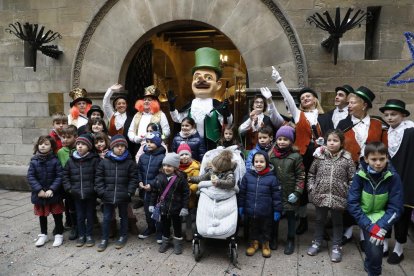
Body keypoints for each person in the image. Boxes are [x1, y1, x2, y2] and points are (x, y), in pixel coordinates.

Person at [268, 66, 325, 235]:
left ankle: (321, 224)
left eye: (308, 96)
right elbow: (288, 99)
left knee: (319, 189)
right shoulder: (299, 115)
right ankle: (302, 220)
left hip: (320, 158)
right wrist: (279, 81)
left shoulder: (325, 117)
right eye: (302, 97)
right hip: (302, 156)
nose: (305, 98)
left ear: (315, 100)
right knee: (300, 188)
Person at [337, 87, 388, 248]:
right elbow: (338, 146)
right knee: (349, 201)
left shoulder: (378, 124)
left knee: (368, 202)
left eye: (352, 102)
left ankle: (365, 235)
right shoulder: (343, 123)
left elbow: (385, 147)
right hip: (349, 170)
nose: (348, 105)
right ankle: (348, 231)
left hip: (373, 172)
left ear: (364, 105)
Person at [347, 142, 403, 276]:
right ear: (366, 159)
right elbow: (352, 203)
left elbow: (396, 207)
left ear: (387, 157)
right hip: (365, 217)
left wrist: (381, 226)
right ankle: (370, 265)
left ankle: (373, 271)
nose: (378, 163)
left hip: (381, 218)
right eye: (373, 159)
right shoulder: (360, 175)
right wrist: (369, 225)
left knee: (376, 253)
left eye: (382, 159)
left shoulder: (393, 177)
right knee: (372, 249)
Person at [168, 47, 232, 150]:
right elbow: (178, 119)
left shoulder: (217, 105)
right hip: (192, 145)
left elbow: (227, 123)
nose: (201, 80)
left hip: (212, 145)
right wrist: (171, 106)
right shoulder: (190, 105)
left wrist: (226, 111)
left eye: (208, 77)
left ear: (218, 85)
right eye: (197, 77)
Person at [307, 129, 356, 262]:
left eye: (335, 140)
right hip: (320, 194)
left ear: (341, 143)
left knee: (337, 222)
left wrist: (348, 192)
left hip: (339, 196)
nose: (332, 143)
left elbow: (353, 179)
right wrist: (311, 188)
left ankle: (336, 246)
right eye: (329, 140)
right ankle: (317, 242)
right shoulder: (319, 157)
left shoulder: (347, 159)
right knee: (319, 220)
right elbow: (311, 174)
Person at [379, 99, 414, 264]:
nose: (389, 118)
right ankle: (384, 244)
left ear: (403, 115)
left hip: (405, 179)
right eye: (386, 115)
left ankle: (399, 249)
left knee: (401, 214)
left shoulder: (411, 132)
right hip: (386, 180)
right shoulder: (384, 132)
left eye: (393, 114)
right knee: (384, 212)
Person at [95, 135, 138, 252]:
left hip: (123, 195)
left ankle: (123, 236)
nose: (120, 148)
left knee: (124, 216)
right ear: (112, 147)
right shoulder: (105, 162)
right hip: (107, 195)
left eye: (122, 146)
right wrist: (102, 192)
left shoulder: (129, 162)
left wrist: (129, 192)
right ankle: (104, 238)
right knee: (107, 217)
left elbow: (133, 179)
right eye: (117, 146)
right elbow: (99, 178)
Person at [238, 151, 282, 258]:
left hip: (266, 211)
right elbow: (242, 192)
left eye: (261, 162)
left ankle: (265, 245)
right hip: (251, 210)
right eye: (256, 161)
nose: (258, 164)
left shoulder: (272, 178)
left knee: (266, 228)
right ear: (253, 163)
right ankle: (254, 243)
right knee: (253, 228)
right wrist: (241, 205)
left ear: (266, 162)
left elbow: (276, 196)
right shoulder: (248, 176)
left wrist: (277, 210)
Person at [269, 126, 305, 254]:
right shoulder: (272, 156)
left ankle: (290, 239)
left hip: (290, 192)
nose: (282, 141)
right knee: (275, 216)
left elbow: (301, 176)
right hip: (275, 193)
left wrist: (297, 192)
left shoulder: (296, 157)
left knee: (290, 217)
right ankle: (273, 237)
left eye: (285, 139)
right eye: (279, 139)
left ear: (291, 141)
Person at [62, 133, 100, 247]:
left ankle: (89, 235)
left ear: (88, 146)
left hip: (90, 194)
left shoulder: (94, 160)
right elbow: (65, 175)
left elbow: (98, 175)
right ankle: (81, 235)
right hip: (76, 194)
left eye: (83, 144)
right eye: (78, 144)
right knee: (79, 215)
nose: (79, 146)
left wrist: (95, 188)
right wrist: (69, 188)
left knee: (89, 215)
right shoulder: (71, 160)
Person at [27, 135, 64, 247]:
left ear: (52, 147)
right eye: (41, 143)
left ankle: (58, 234)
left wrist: (52, 189)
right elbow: (30, 176)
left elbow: (59, 176)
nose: (43, 146)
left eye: (46, 144)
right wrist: (38, 190)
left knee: (57, 215)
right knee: (42, 215)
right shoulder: (34, 161)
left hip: (53, 194)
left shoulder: (55, 160)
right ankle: (43, 234)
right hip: (39, 194)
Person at [150, 153, 190, 254]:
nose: (166, 168)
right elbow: (155, 191)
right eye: (164, 165)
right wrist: (151, 204)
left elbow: (186, 193)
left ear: (175, 167)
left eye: (169, 166)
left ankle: (177, 244)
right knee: (165, 226)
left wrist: (184, 207)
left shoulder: (181, 178)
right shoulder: (159, 177)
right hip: (163, 208)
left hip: (176, 208)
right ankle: (166, 242)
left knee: (177, 227)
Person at [137, 131, 166, 242]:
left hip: (156, 190)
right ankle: (150, 228)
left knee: (157, 211)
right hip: (145, 190)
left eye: (151, 142)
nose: (148, 144)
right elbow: (139, 170)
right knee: (147, 210)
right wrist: (139, 182)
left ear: (158, 143)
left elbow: (162, 174)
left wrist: (152, 184)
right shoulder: (143, 156)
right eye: (147, 142)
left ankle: (160, 231)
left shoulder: (162, 157)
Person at [128, 85, 170, 154]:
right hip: (138, 146)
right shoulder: (137, 115)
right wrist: (135, 139)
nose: (146, 101)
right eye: (144, 100)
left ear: (155, 102)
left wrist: (158, 138)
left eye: (149, 100)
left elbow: (167, 132)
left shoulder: (161, 114)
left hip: (155, 147)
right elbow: (130, 131)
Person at [57, 125, 79, 240]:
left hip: (79, 183)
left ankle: (82, 225)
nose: (65, 139)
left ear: (75, 137)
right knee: (71, 206)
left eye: (68, 137)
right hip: (68, 184)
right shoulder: (61, 152)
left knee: (80, 205)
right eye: (63, 137)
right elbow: (60, 168)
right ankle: (74, 226)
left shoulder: (80, 149)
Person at [177, 143, 200, 241]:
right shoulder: (176, 166)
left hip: (189, 195)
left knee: (188, 215)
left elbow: (197, 181)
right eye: (181, 155)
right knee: (177, 213)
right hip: (177, 195)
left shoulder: (194, 167)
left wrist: (191, 189)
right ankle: (177, 231)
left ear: (190, 155)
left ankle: (189, 230)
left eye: (186, 154)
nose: (184, 157)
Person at [103, 84, 135, 155]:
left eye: (123, 103)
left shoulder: (131, 118)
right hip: (111, 146)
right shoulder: (111, 115)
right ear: (115, 106)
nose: (121, 105)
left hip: (126, 148)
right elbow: (105, 103)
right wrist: (111, 90)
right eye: (119, 104)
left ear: (126, 105)